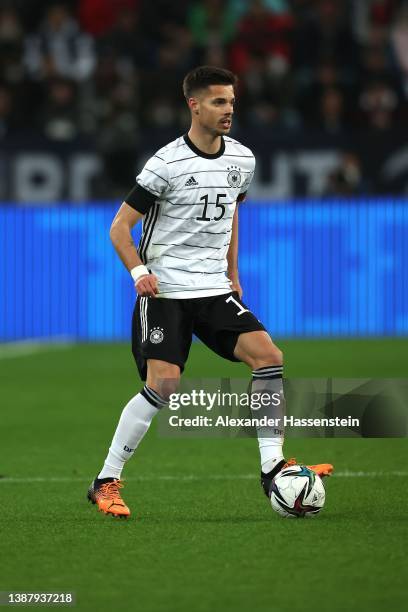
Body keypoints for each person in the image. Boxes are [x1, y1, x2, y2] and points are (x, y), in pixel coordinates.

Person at [87, 65, 333, 518]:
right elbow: (119, 228)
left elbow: (232, 214)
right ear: (194, 105)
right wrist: (139, 271)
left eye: (232, 103)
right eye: (219, 102)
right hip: (166, 290)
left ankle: (273, 467)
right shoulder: (165, 164)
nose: (228, 111)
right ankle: (106, 480)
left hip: (213, 287)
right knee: (163, 383)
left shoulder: (242, 159)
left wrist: (232, 272)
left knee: (269, 356)